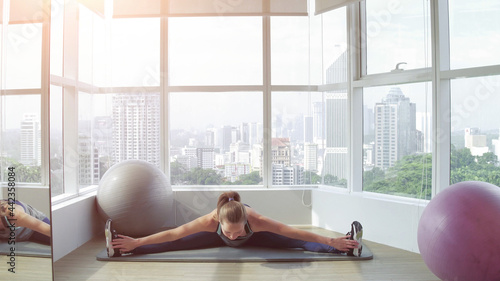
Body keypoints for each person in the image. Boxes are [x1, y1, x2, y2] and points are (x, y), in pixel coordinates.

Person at [107, 191, 363, 258]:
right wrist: (137, 241)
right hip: (212, 238)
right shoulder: (210, 221)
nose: (233, 235)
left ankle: (346, 246)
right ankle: (122, 247)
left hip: (258, 239)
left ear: (246, 221)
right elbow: (173, 233)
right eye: (229, 231)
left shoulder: (257, 221)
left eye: (238, 230)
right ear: (218, 221)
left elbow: (293, 231)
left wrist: (331, 240)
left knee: (300, 244)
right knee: (174, 244)